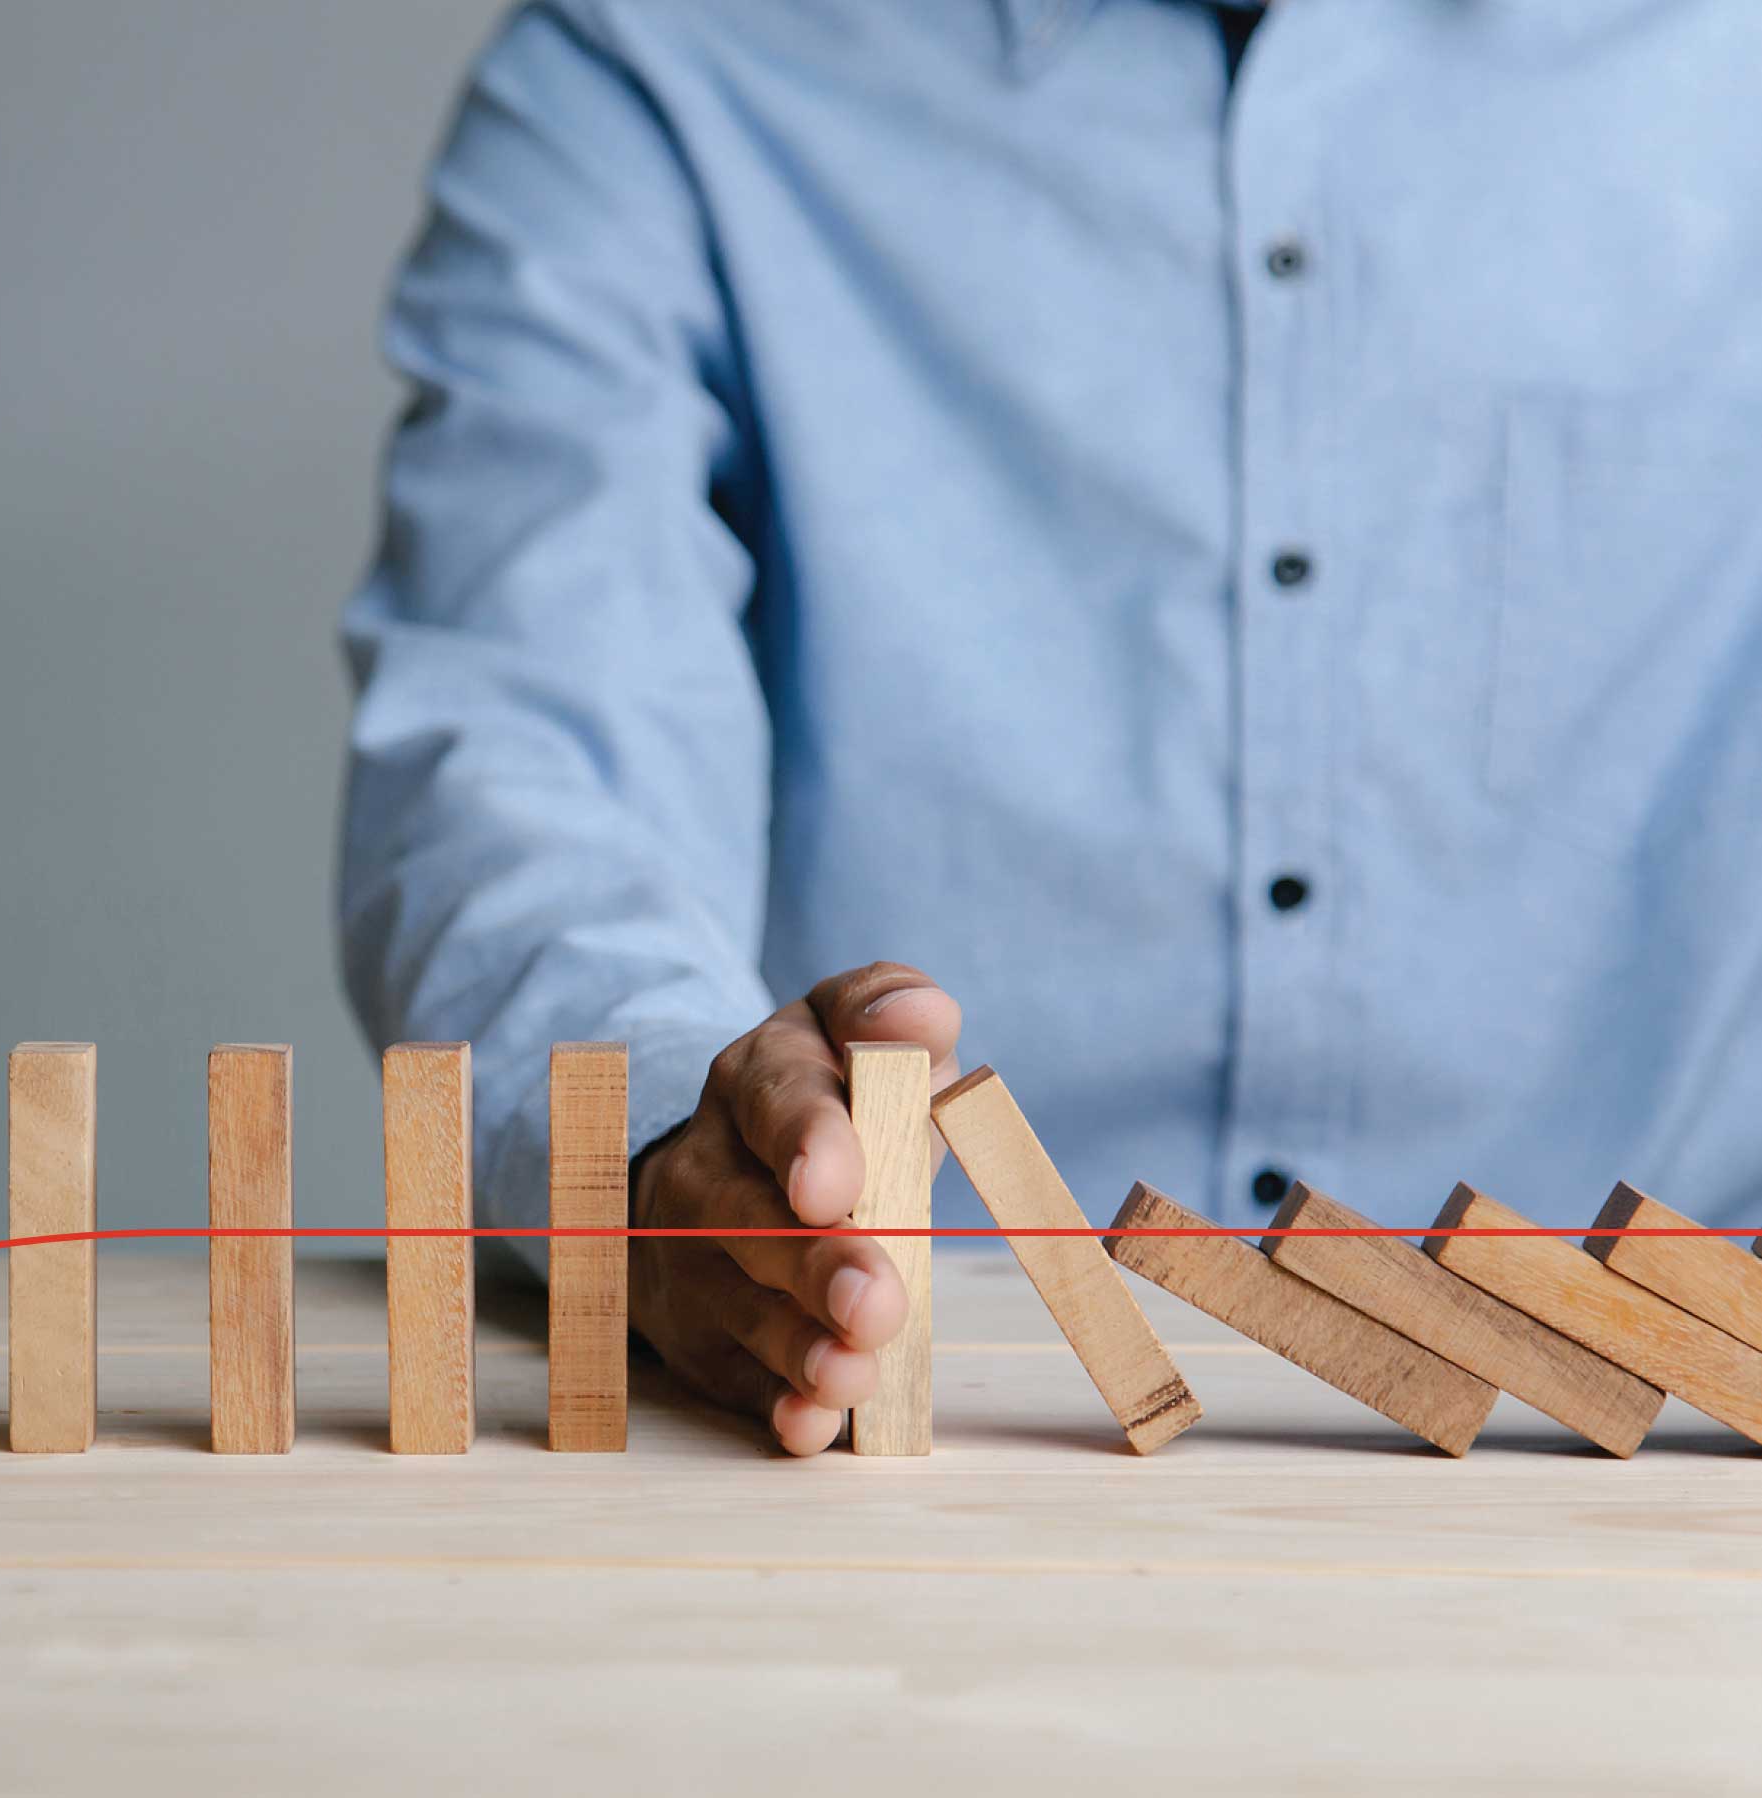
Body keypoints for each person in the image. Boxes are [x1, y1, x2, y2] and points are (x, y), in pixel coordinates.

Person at [337, 0, 1762, 1455]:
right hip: (883, 1448)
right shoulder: (653, 60)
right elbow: (528, 740)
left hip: (1679, 1473)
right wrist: (667, 1127)